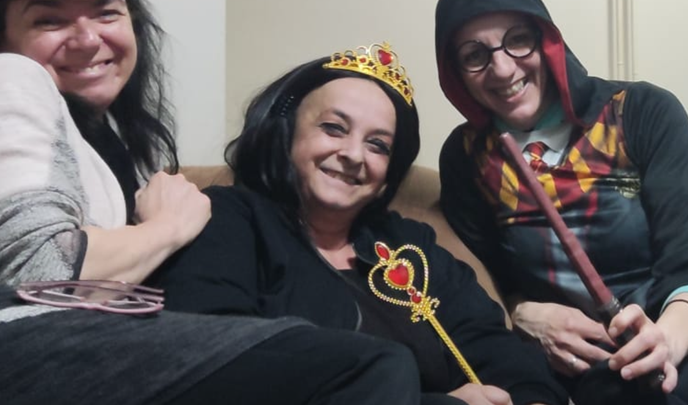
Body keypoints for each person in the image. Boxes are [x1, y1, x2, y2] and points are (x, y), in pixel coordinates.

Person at [0, 1, 427, 404]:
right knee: (369, 365)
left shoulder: (113, 137)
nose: (88, 39)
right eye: (49, 20)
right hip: (25, 343)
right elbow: (39, 278)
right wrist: (168, 227)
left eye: (106, 13)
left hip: (77, 349)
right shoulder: (13, 77)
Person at [148, 42, 568, 405]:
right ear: (286, 134)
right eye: (333, 128)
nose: (353, 155)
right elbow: (218, 366)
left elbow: (495, 346)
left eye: (377, 145)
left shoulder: (411, 246)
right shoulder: (229, 219)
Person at [434, 0, 688, 403]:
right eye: (474, 55)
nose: (502, 69)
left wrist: (667, 341)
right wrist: (523, 313)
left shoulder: (642, 111)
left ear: (547, 40)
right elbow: (485, 283)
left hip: (685, 336)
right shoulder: (466, 156)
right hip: (573, 368)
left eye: (518, 40)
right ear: (455, 72)